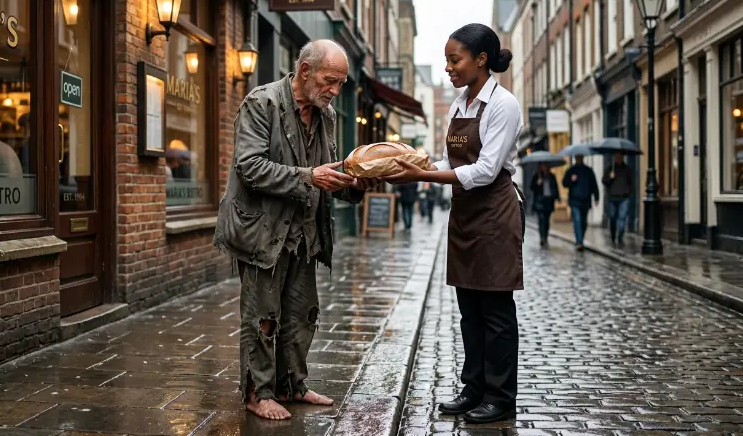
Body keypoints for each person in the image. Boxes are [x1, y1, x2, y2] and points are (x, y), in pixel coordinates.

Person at [213, 39, 377, 421]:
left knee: (303, 313)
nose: (335, 91)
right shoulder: (261, 103)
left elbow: (325, 174)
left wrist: (353, 185)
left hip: (304, 232)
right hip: (261, 232)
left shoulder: (327, 115)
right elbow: (249, 167)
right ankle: (258, 392)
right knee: (263, 316)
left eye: (340, 84)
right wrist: (309, 176)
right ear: (306, 71)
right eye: (329, 81)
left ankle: (293, 385)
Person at [384, 23, 524, 424]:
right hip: (464, 215)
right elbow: (452, 163)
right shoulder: (460, 103)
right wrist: (416, 164)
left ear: (481, 61)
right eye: (446, 59)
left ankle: (500, 396)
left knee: (496, 311)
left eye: (454, 59)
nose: (448, 67)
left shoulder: (503, 106)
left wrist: (421, 177)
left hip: (496, 213)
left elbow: (484, 170)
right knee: (468, 310)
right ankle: (474, 388)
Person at [561, 155, 599, 250]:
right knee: (577, 220)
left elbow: (594, 184)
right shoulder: (571, 170)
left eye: (580, 157)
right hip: (575, 200)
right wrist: (571, 180)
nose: (579, 159)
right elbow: (564, 183)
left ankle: (580, 238)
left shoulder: (588, 170)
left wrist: (596, 197)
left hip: (586, 200)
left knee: (584, 222)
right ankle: (579, 242)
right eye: (577, 158)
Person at [601, 152, 632, 246]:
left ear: (623, 157)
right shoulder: (610, 168)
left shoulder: (627, 169)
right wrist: (610, 178)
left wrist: (629, 193)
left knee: (622, 218)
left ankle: (620, 237)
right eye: (617, 156)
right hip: (612, 197)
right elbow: (604, 181)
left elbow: (631, 182)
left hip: (624, 197)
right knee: (613, 218)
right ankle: (613, 235)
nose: (618, 158)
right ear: (615, 157)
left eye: (620, 156)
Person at [530, 164, 560, 247]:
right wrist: (537, 183)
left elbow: (555, 187)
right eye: (543, 166)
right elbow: (532, 187)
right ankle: (542, 237)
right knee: (541, 219)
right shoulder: (537, 176)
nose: (545, 168)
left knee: (546, 220)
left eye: (546, 166)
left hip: (548, 201)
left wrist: (557, 197)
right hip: (539, 202)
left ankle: (545, 236)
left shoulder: (551, 176)